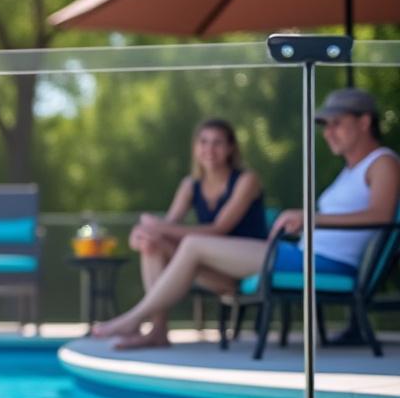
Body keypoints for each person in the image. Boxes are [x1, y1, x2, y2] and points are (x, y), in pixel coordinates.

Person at [93, 88, 399, 346]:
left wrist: (310, 217)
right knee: (166, 244)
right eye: (326, 125)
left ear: (364, 122)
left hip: (321, 262)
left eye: (336, 123)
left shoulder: (383, 162)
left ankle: (132, 319)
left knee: (194, 245)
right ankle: (156, 331)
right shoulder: (352, 170)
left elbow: (382, 216)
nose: (328, 132)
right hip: (301, 254)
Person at [120, 118, 269, 348]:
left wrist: (157, 226)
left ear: (231, 148)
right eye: (203, 142)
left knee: (188, 241)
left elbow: (219, 229)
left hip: (244, 267)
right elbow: (168, 225)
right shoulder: (191, 185)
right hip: (212, 270)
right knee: (152, 244)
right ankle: (158, 331)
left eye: (217, 143)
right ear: (195, 147)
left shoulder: (246, 180)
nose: (209, 149)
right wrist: (143, 234)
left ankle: (133, 318)